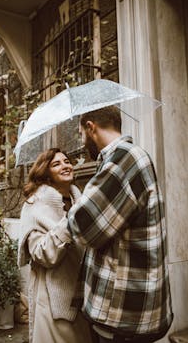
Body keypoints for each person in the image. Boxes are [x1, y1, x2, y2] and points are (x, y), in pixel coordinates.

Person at [67, 106, 173, 343]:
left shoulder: (122, 160)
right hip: (129, 307)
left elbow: (83, 227)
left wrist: (76, 199)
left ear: (90, 127)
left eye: (81, 134)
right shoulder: (128, 157)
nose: (83, 142)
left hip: (123, 313)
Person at [18, 148, 93, 343]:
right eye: (56, 164)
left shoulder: (82, 200)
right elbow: (41, 254)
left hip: (84, 295)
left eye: (67, 161)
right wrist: (68, 222)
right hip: (51, 297)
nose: (65, 166)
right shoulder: (34, 205)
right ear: (46, 172)